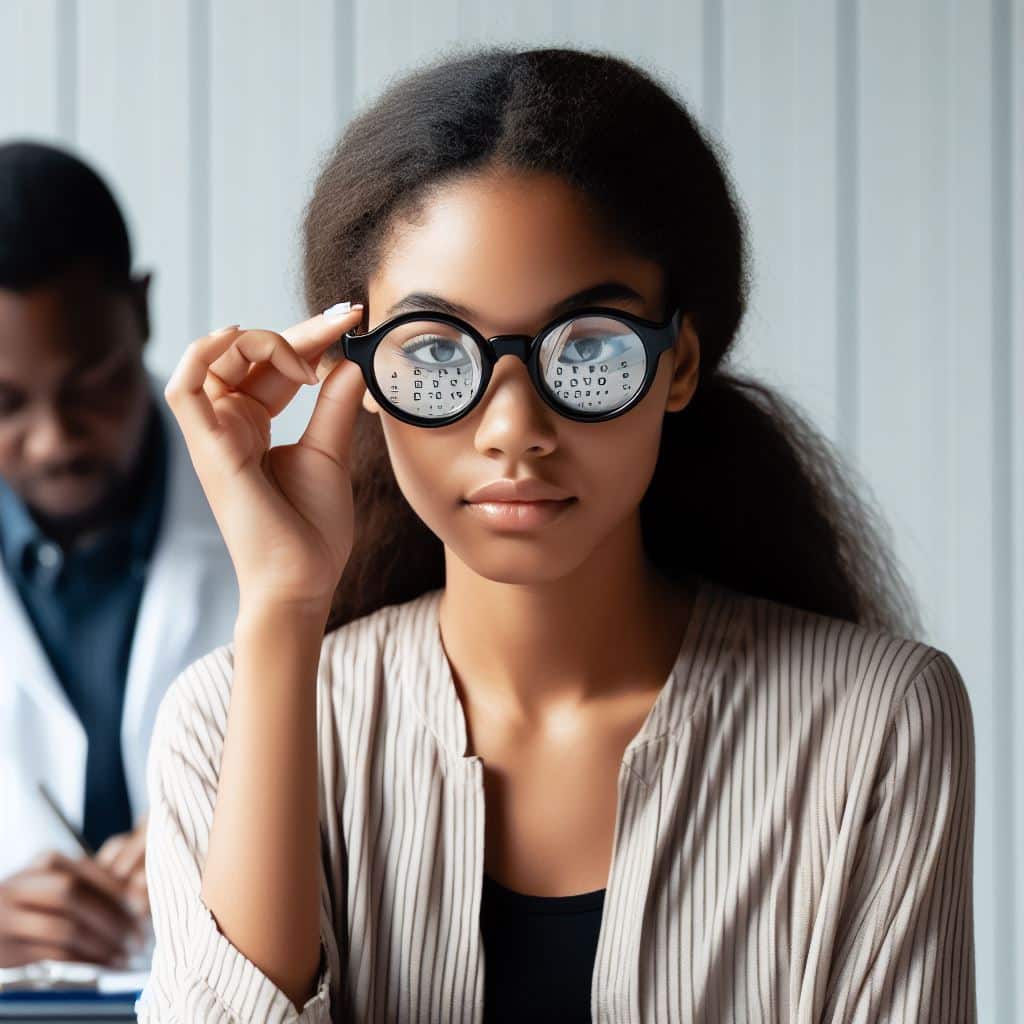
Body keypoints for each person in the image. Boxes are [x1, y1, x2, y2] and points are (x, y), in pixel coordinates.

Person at [138, 46, 976, 1023]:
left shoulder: (877, 725)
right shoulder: (222, 725)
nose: (513, 428)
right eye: (436, 354)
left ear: (678, 363)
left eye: (586, 348)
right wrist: (282, 608)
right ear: (359, 375)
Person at [0, 141, 239, 968]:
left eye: (93, 383)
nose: (53, 440)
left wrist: (238, 829)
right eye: (2, 404)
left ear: (140, 312)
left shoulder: (281, 525)